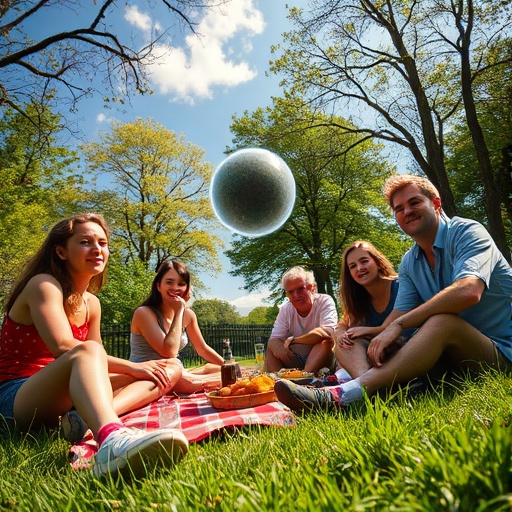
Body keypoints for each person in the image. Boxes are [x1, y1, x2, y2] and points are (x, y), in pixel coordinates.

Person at [275, 174, 512, 412]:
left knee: (442, 322)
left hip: (499, 354)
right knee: (351, 340)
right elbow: (397, 316)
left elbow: (469, 291)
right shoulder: (410, 261)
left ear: (436, 204)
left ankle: (342, 396)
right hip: (446, 359)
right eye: (399, 209)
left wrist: (398, 326)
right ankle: (377, 391)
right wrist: (353, 331)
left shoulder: (468, 232)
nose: (407, 211)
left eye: (414, 202)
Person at [0, 213, 188, 477]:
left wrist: (143, 369)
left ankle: (81, 421)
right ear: (61, 251)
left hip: (67, 392)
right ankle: (111, 438)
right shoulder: (43, 285)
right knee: (92, 352)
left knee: (169, 367)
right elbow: (66, 347)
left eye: (102, 243)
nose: (97, 249)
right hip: (17, 397)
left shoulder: (92, 303)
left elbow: (95, 361)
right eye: (86, 242)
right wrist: (134, 369)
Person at [130, 259, 224, 393]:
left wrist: (227, 366)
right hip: (151, 376)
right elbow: (169, 351)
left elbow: (202, 349)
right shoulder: (144, 313)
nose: (175, 288)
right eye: (169, 282)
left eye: (181, 283)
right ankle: (230, 378)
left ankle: (230, 374)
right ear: (158, 286)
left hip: (176, 370)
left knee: (215, 368)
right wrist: (179, 310)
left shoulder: (189, 315)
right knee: (222, 377)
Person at [333, 240, 413, 379]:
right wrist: (340, 333)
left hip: (410, 349)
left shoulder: (400, 286)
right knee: (345, 344)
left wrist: (365, 330)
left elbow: (390, 327)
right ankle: (367, 386)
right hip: (379, 357)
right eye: (353, 266)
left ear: (377, 262)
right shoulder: (359, 300)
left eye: (364, 261)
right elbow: (343, 323)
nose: (359, 268)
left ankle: (366, 385)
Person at [264, 266, 338, 375]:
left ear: (312, 287)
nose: (296, 295)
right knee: (272, 348)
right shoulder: (285, 310)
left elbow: (327, 332)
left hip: (323, 359)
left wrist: (294, 341)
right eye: (291, 292)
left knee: (325, 341)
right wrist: (281, 350)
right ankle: (278, 382)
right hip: (295, 360)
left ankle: (305, 378)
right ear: (287, 295)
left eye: (300, 289)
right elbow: (274, 340)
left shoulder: (325, 301)